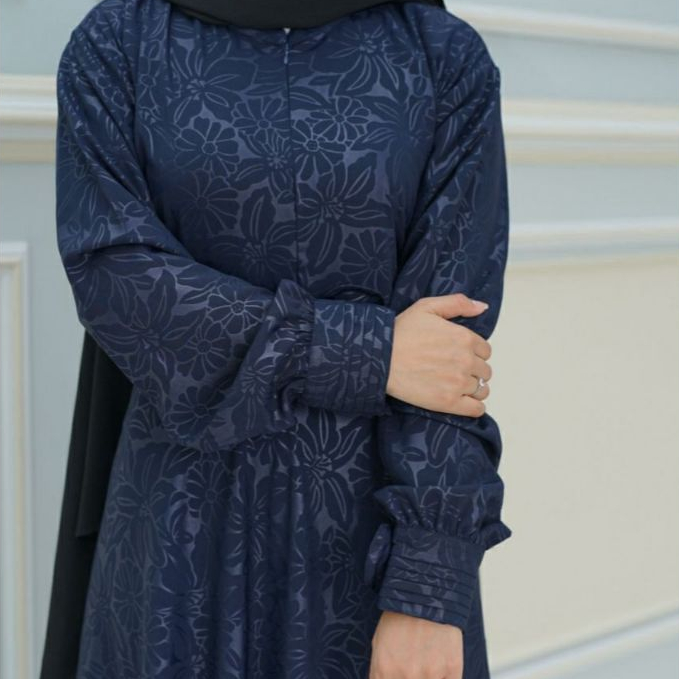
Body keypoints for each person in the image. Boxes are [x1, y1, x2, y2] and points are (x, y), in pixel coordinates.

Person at [45, 0, 512, 676]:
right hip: (180, 528)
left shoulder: (441, 55)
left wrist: (426, 587)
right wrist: (366, 351)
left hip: (373, 535)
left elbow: (450, 347)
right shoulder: (119, 43)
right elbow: (115, 276)